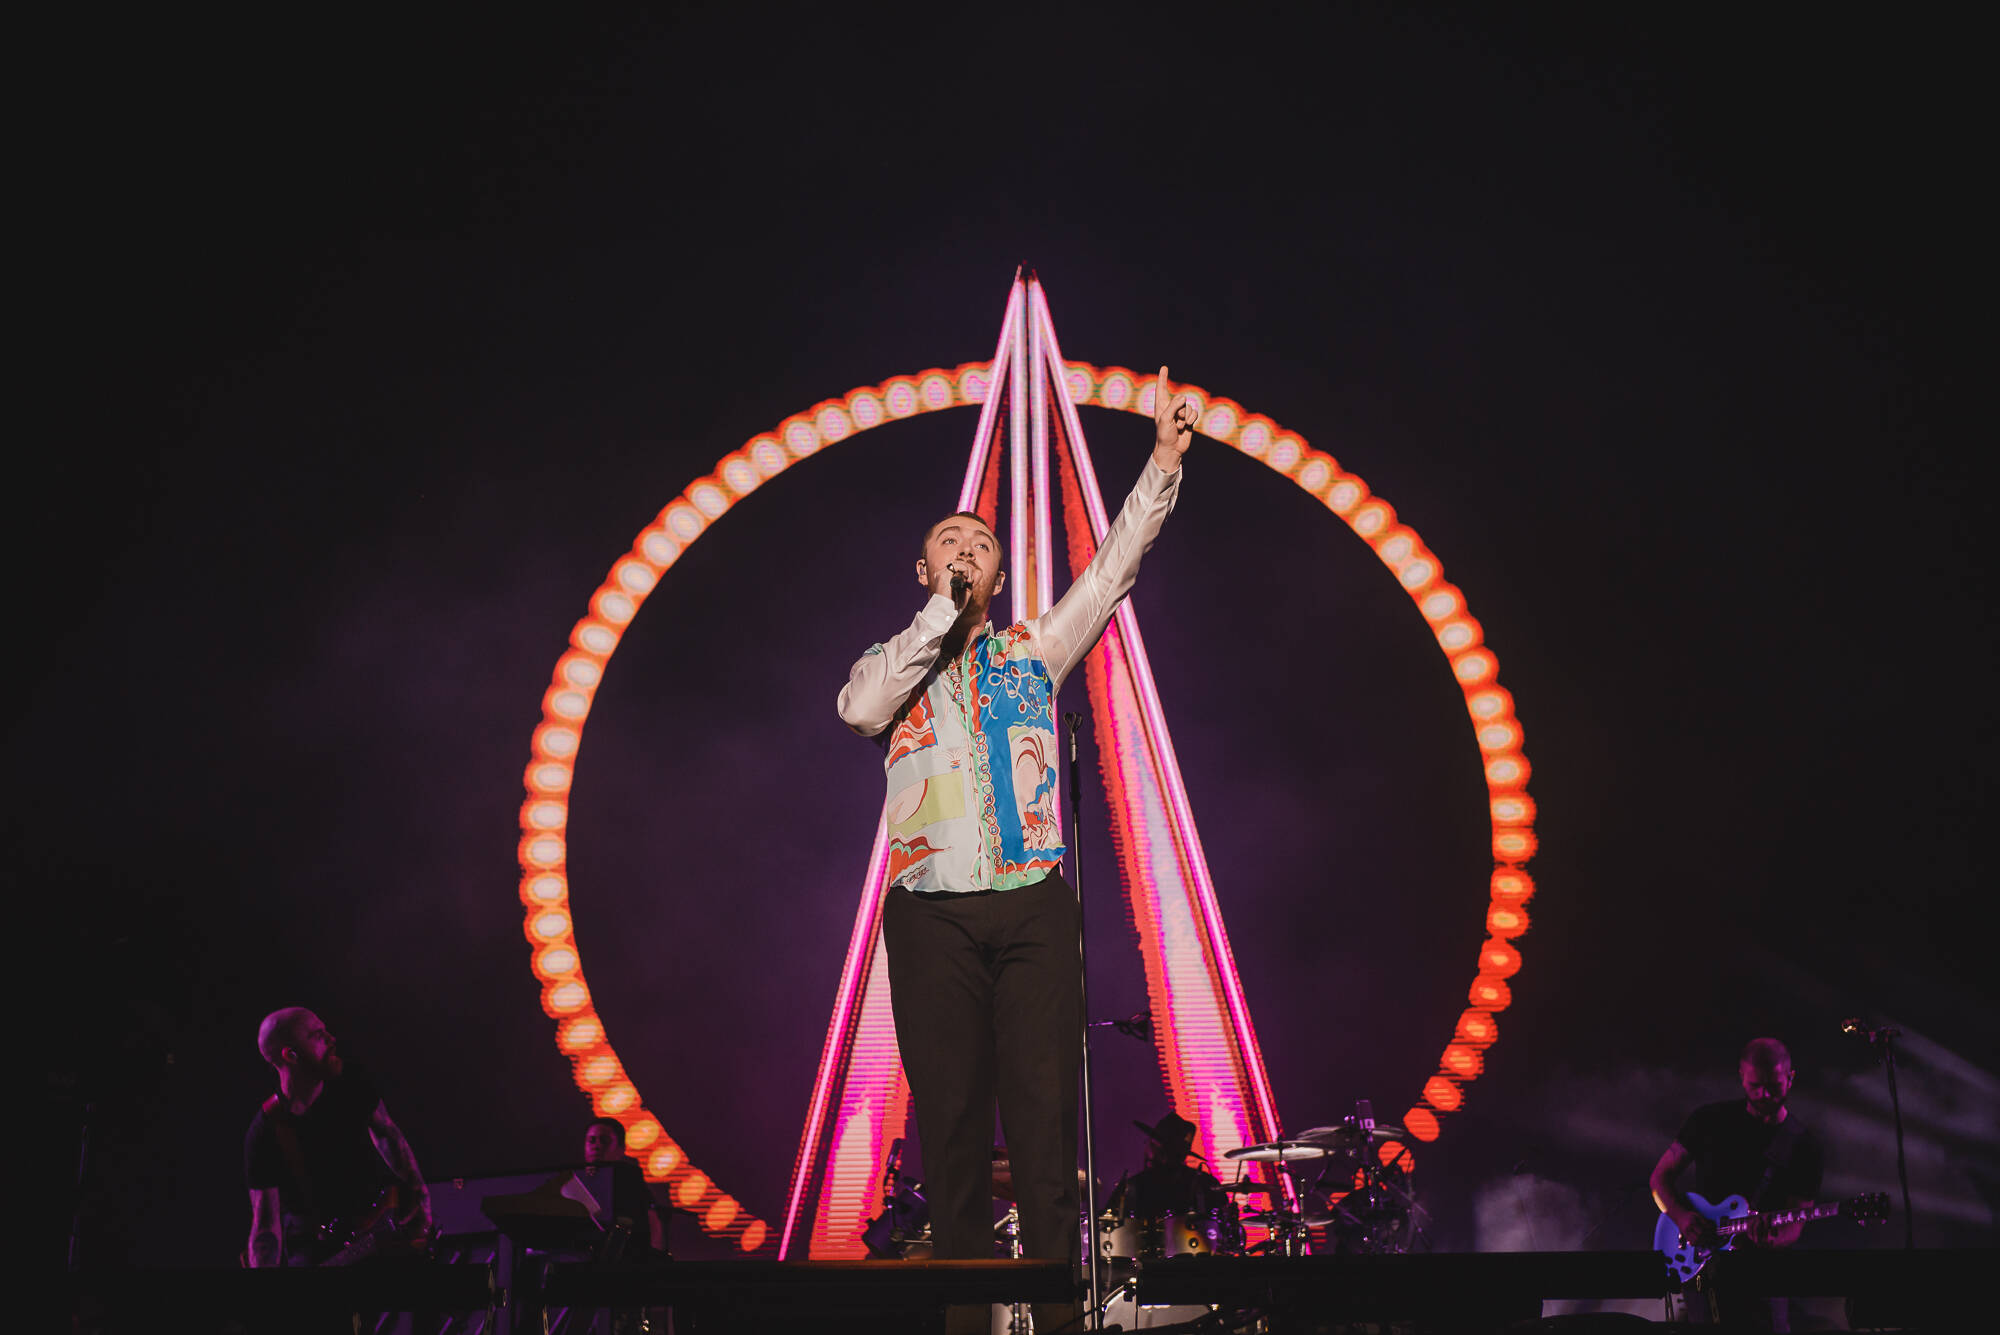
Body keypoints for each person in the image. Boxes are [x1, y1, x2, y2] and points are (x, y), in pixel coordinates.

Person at [837, 365, 1196, 1331]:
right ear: (925, 573)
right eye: (948, 544)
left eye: (981, 546)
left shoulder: (1032, 651)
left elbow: (1115, 566)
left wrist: (1161, 462)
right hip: (928, 914)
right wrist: (937, 619)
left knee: (1045, 1129)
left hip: (1032, 898)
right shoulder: (889, 665)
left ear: (999, 576)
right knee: (950, 1129)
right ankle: (962, 1323)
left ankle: (1062, 1324)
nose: (966, 551)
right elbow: (859, 709)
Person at [1649, 1037, 1824, 1330]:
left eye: (1774, 1085)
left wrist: (1771, 1238)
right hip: (1704, 1268)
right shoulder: (1708, 1121)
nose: (1764, 1094)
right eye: (1755, 1086)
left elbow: (1797, 1220)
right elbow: (1659, 1178)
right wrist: (1681, 1217)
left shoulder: (1804, 1145)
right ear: (1741, 1077)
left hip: (1765, 1278)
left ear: (1790, 1078)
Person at [243, 1007, 432, 1267]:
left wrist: (421, 1203)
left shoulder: (351, 1082)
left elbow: (390, 1139)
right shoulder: (265, 1132)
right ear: (291, 1055)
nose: (332, 1039)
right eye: (317, 1035)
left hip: (383, 1233)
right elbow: (265, 1227)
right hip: (320, 1253)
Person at [583, 1116, 666, 1256]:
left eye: (604, 1141)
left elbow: (652, 1223)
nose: (596, 1146)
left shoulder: (631, 1181)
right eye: (591, 1140)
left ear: (621, 1149)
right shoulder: (575, 1180)